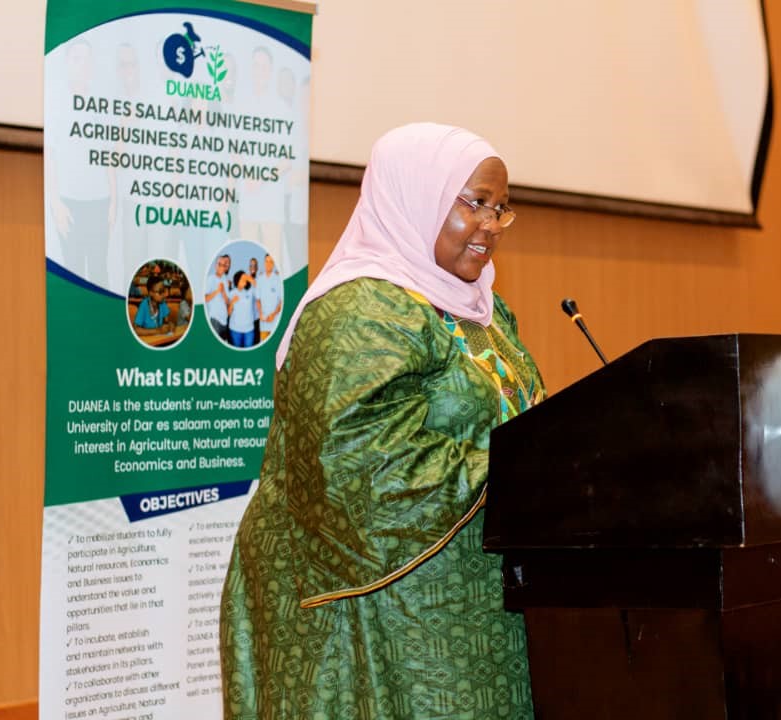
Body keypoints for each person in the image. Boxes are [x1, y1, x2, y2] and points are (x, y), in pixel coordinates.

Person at [220, 123, 543, 719]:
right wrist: (532, 467)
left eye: (501, 209)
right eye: (474, 203)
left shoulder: (485, 311)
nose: (491, 226)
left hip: (475, 600)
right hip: (378, 612)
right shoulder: (358, 309)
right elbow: (358, 473)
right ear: (414, 196)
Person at [254, 253, 282, 343]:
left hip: (276, 322)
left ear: (274, 264)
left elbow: (281, 301)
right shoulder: (260, 279)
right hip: (264, 322)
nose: (268, 264)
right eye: (266, 261)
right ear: (264, 263)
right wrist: (260, 313)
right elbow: (257, 300)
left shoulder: (278, 279)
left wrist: (273, 314)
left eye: (271, 262)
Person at [226, 270, 256, 348]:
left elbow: (257, 285)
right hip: (235, 330)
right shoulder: (232, 293)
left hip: (249, 330)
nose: (245, 279)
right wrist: (232, 302)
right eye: (243, 278)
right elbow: (228, 313)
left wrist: (249, 278)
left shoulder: (250, 291)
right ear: (238, 280)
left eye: (246, 278)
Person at [205, 254, 231, 342]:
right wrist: (217, 291)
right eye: (219, 264)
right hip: (215, 319)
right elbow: (206, 298)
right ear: (215, 265)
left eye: (223, 265)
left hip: (224, 320)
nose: (221, 267)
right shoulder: (210, 279)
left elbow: (227, 302)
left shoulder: (225, 280)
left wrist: (223, 291)